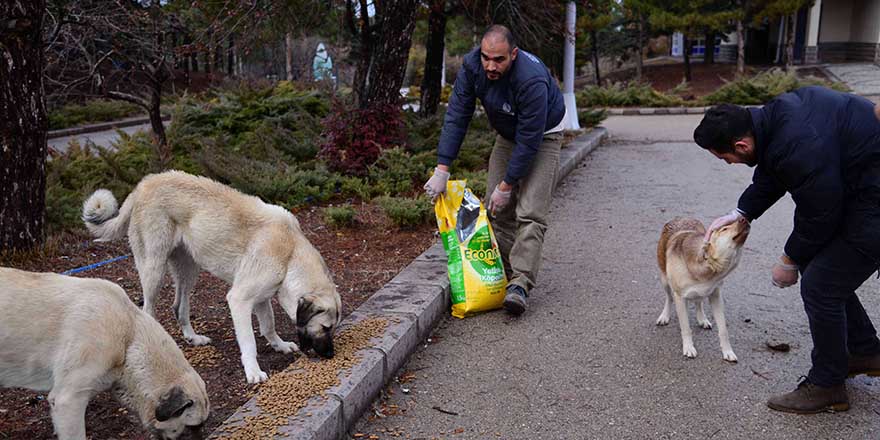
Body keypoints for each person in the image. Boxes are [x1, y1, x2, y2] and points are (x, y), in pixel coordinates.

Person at [695, 86, 880, 414]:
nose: (728, 163)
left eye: (726, 158)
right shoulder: (774, 118)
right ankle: (862, 350)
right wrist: (742, 212)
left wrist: (789, 259)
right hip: (861, 185)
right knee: (822, 270)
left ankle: (827, 385)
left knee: (820, 285)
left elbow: (820, 211)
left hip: (873, 200)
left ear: (741, 144)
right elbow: (772, 169)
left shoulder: (797, 143)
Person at [423, 24, 566, 316]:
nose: (490, 65)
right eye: (486, 57)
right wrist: (442, 168)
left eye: (498, 59)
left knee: (530, 212)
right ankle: (501, 273)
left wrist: (507, 185)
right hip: (508, 133)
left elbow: (529, 142)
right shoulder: (472, 66)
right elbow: (457, 115)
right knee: (496, 208)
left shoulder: (531, 80)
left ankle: (521, 284)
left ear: (513, 54)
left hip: (544, 134)